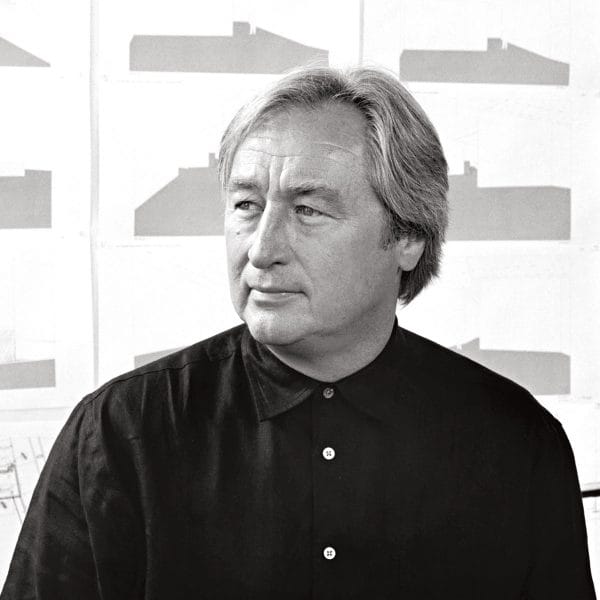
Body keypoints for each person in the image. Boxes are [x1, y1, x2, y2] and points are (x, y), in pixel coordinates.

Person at [1, 66, 595, 599]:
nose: (261, 249)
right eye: (246, 205)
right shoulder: (120, 432)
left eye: (308, 210)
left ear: (409, 236)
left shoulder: (517, 444)